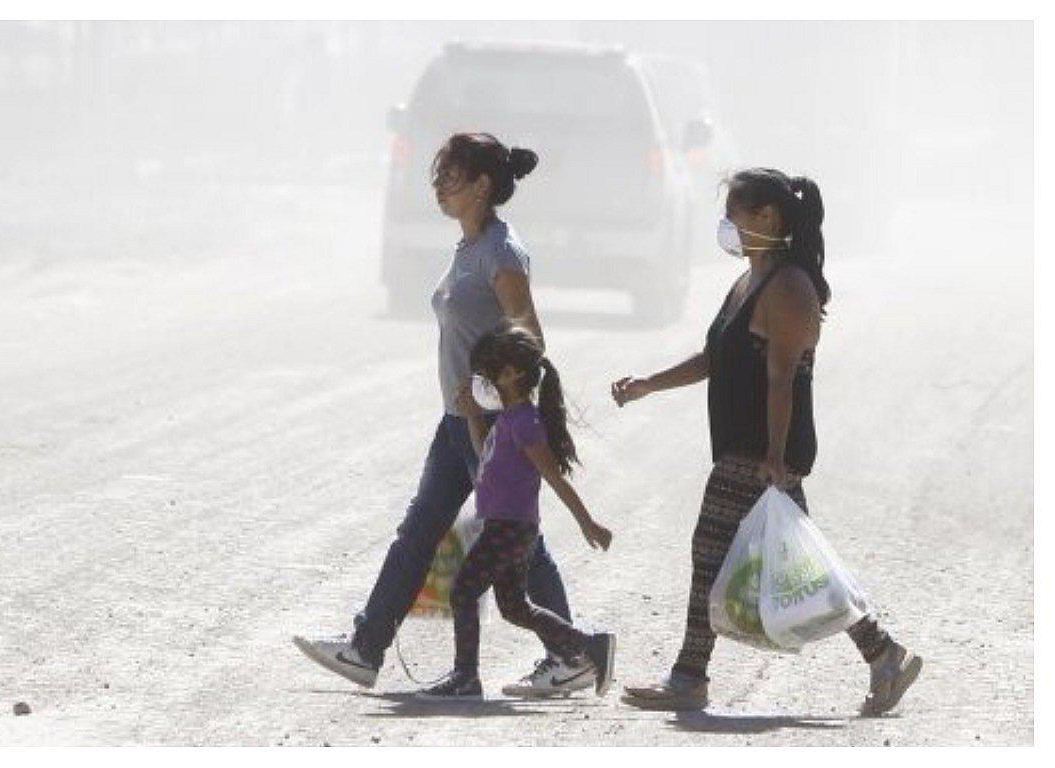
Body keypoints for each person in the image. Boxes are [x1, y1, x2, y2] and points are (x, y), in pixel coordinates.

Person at [293, 133, 598, 697]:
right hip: (457, 421)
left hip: (488, 425)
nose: (440, 186)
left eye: (451, 176)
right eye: (439, 175)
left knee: (513, 537)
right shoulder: (469, 247)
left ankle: (571, 653)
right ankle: (365, 649)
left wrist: (488, 395)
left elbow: (531, 337)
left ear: (483, 184)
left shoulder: (502, 254)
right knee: (420, 532)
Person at [610, 168, 922, 716]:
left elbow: (782, 377)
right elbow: (717, 358)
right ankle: (884, 654)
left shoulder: (790, 287)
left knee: (710, 549)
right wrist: (648, 385)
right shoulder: (749, 280)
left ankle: (688, 676)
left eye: (735, 216)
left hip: (762, 448)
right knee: (803, 562)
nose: (728, 227)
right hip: (749, 444)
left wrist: (775, 456)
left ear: (767, 218)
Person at [416, 324, 616, 699]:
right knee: (514, 607)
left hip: (509, 528)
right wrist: (474, 415)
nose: (484, 382)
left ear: (513, 374)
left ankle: (465, 677)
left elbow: (554, 478)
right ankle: (591, 646)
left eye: (490, 373)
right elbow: (484, 458)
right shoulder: (508, 420)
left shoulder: (525, 422)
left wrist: (588, 524)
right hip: (505, 526)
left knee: (462, 591)